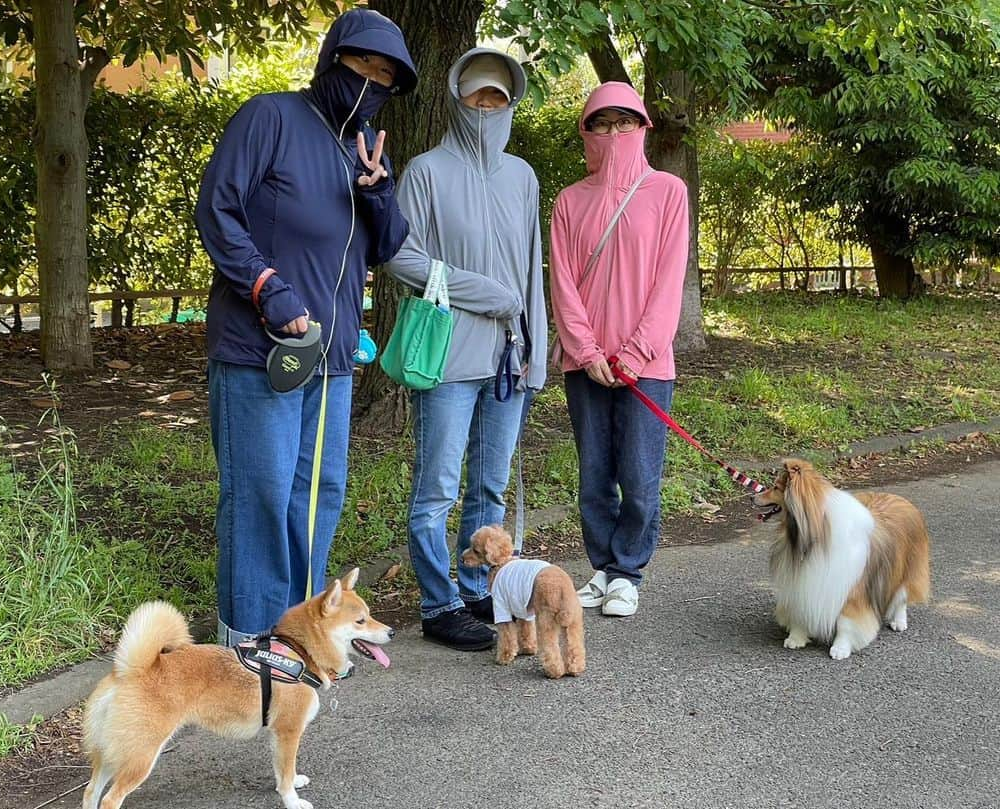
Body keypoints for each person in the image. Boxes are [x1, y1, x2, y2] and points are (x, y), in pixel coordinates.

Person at [195, 9, 417, 647]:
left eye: (387, 77)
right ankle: (251, 644)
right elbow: (219, 210)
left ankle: (297, 639)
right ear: (333, 60)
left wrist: (378, 191)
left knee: (317, 494)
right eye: (364, 66)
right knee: (260, 494)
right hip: (261, 351)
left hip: (333, 356)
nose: (374, 81)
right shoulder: (271, 117)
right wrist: (268, 288)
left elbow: (387, 246)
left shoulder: (364, 147)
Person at [386, 48, 548, 651]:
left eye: (498, 98)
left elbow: (532, 268)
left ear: (510, 105)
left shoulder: (522, 176)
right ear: (458, 100)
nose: (487, 106)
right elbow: (399, 256)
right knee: (438, 489)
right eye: (478, 95)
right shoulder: (427, 171)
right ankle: (438, 603)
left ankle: (478, 585)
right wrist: (486, 295)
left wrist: (537, 345)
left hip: (511, 358)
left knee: (490, 487)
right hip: (450, 359)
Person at [549, 81, 689, 618]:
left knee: (638, 472)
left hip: (646, 366)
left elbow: (668, 281)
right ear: (587, 131)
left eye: (623, 122)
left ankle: (628, 571)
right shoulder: (569, 200)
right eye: (601, 123)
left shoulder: (667, 192)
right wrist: (587, 351)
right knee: (594, 474)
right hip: (585, 364)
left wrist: (632, 354)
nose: (613, 133)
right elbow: (562, 283)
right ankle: (603, 567)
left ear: (642, 127)